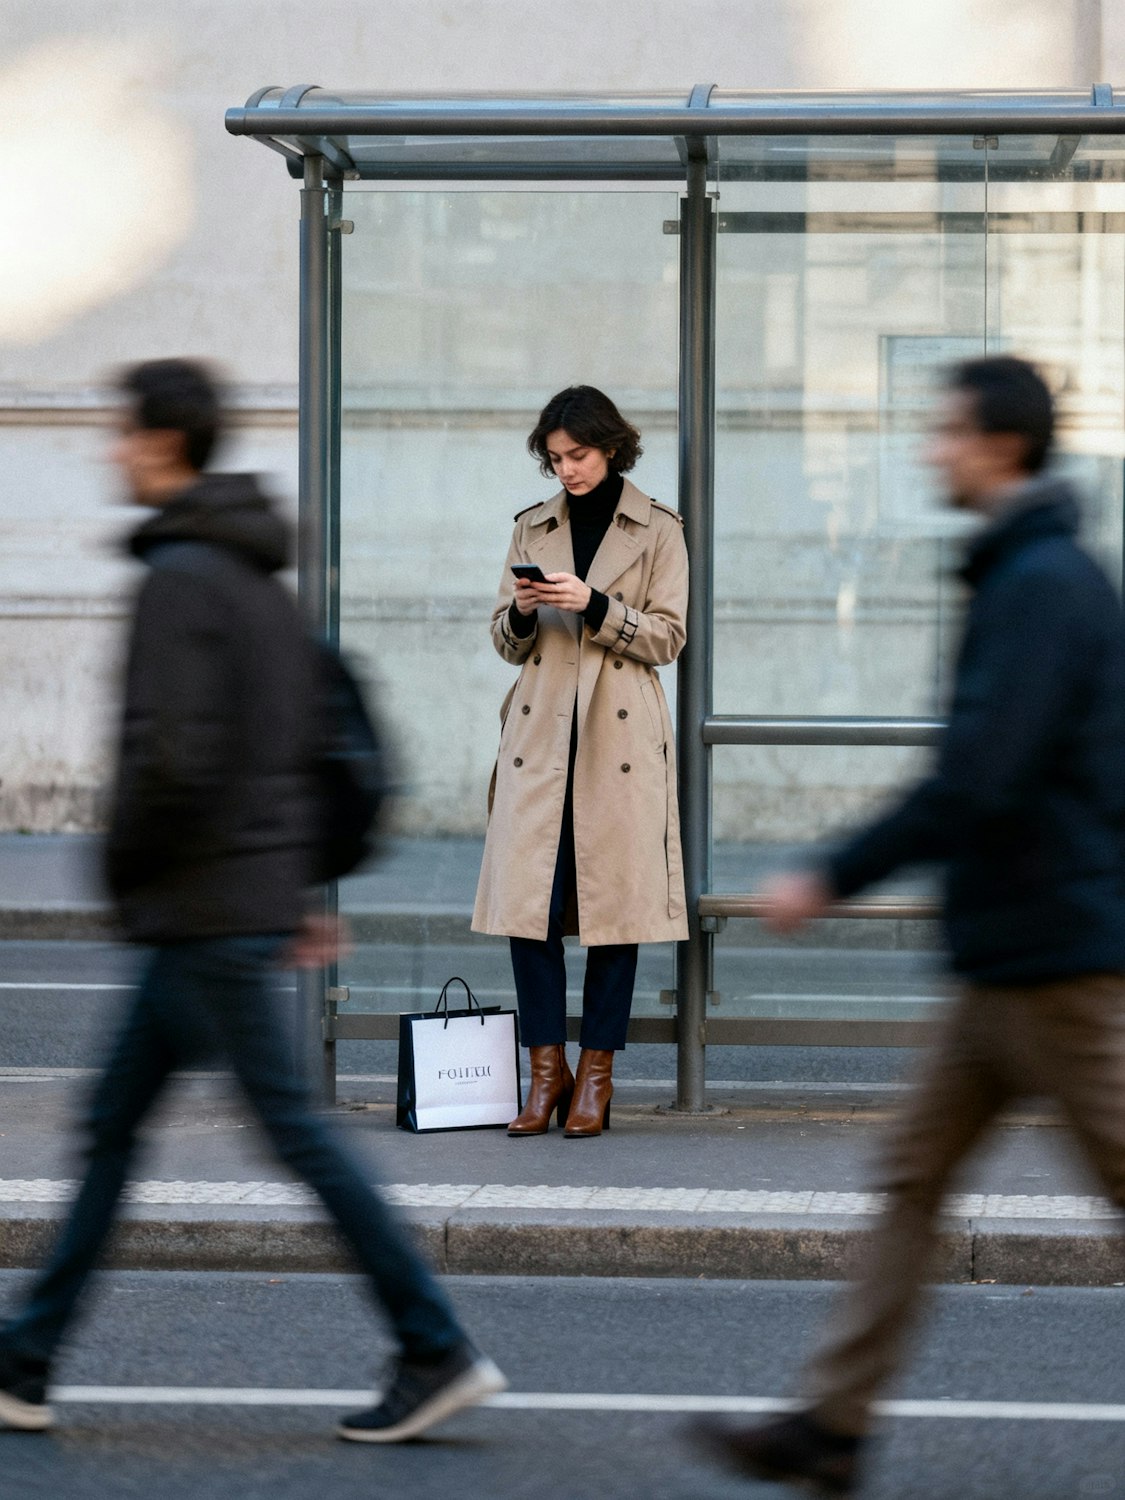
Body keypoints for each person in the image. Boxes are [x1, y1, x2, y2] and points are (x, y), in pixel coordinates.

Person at [0, 359, 505, 1442]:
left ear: (160, 444)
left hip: (203, 915)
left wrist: (124, 868)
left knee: (288, 1134)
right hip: (232, 904)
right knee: (113, 1128)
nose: (109, 451)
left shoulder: (183, 577)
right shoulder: (259, 582)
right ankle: (25, 1358)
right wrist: (295, 886)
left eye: (121, 434)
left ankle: (433, 1342)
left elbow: (170, 761)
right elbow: (294, 752)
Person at [693, 355, 1125, 1496]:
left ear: (1001, 446)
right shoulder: (1021, 572)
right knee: (908, 1179)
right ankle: (832, 1426)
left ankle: (831, 1423)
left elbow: (979, 775)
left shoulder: (1044, 583)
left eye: (948, 431)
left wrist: (831, 872)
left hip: (1059, 963)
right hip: (1001, 961)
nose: (932, 448)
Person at [473, 385, 689, 1137]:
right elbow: (502, 642)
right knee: (528, 915)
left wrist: (595, 605)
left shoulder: (658, 528)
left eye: (579, 455)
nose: (565, 470)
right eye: (555, 459)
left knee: (612, 914)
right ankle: (544, 1074)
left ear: (611, 449)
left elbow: (668, 638)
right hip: (539, 744)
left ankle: (595, 1075)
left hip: (616, 744)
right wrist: (525, 611)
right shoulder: (532, 527)